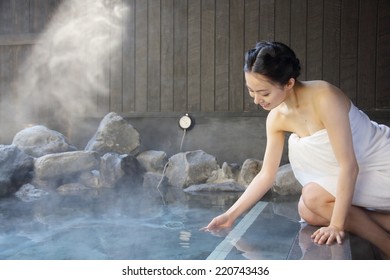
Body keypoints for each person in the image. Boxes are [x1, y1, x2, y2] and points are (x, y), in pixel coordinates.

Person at [202, 41, 390, 258]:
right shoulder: (277, 118)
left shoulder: (324, 97)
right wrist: (230, 215)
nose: (256, 100)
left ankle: (385, 244)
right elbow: (266, 175)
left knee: (312, 198)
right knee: (307, 210)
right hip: (353, 173)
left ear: (289, 83)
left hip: (380, 165)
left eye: (263, 92)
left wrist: (337, 225)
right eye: (251, 91)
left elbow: (349, 165)